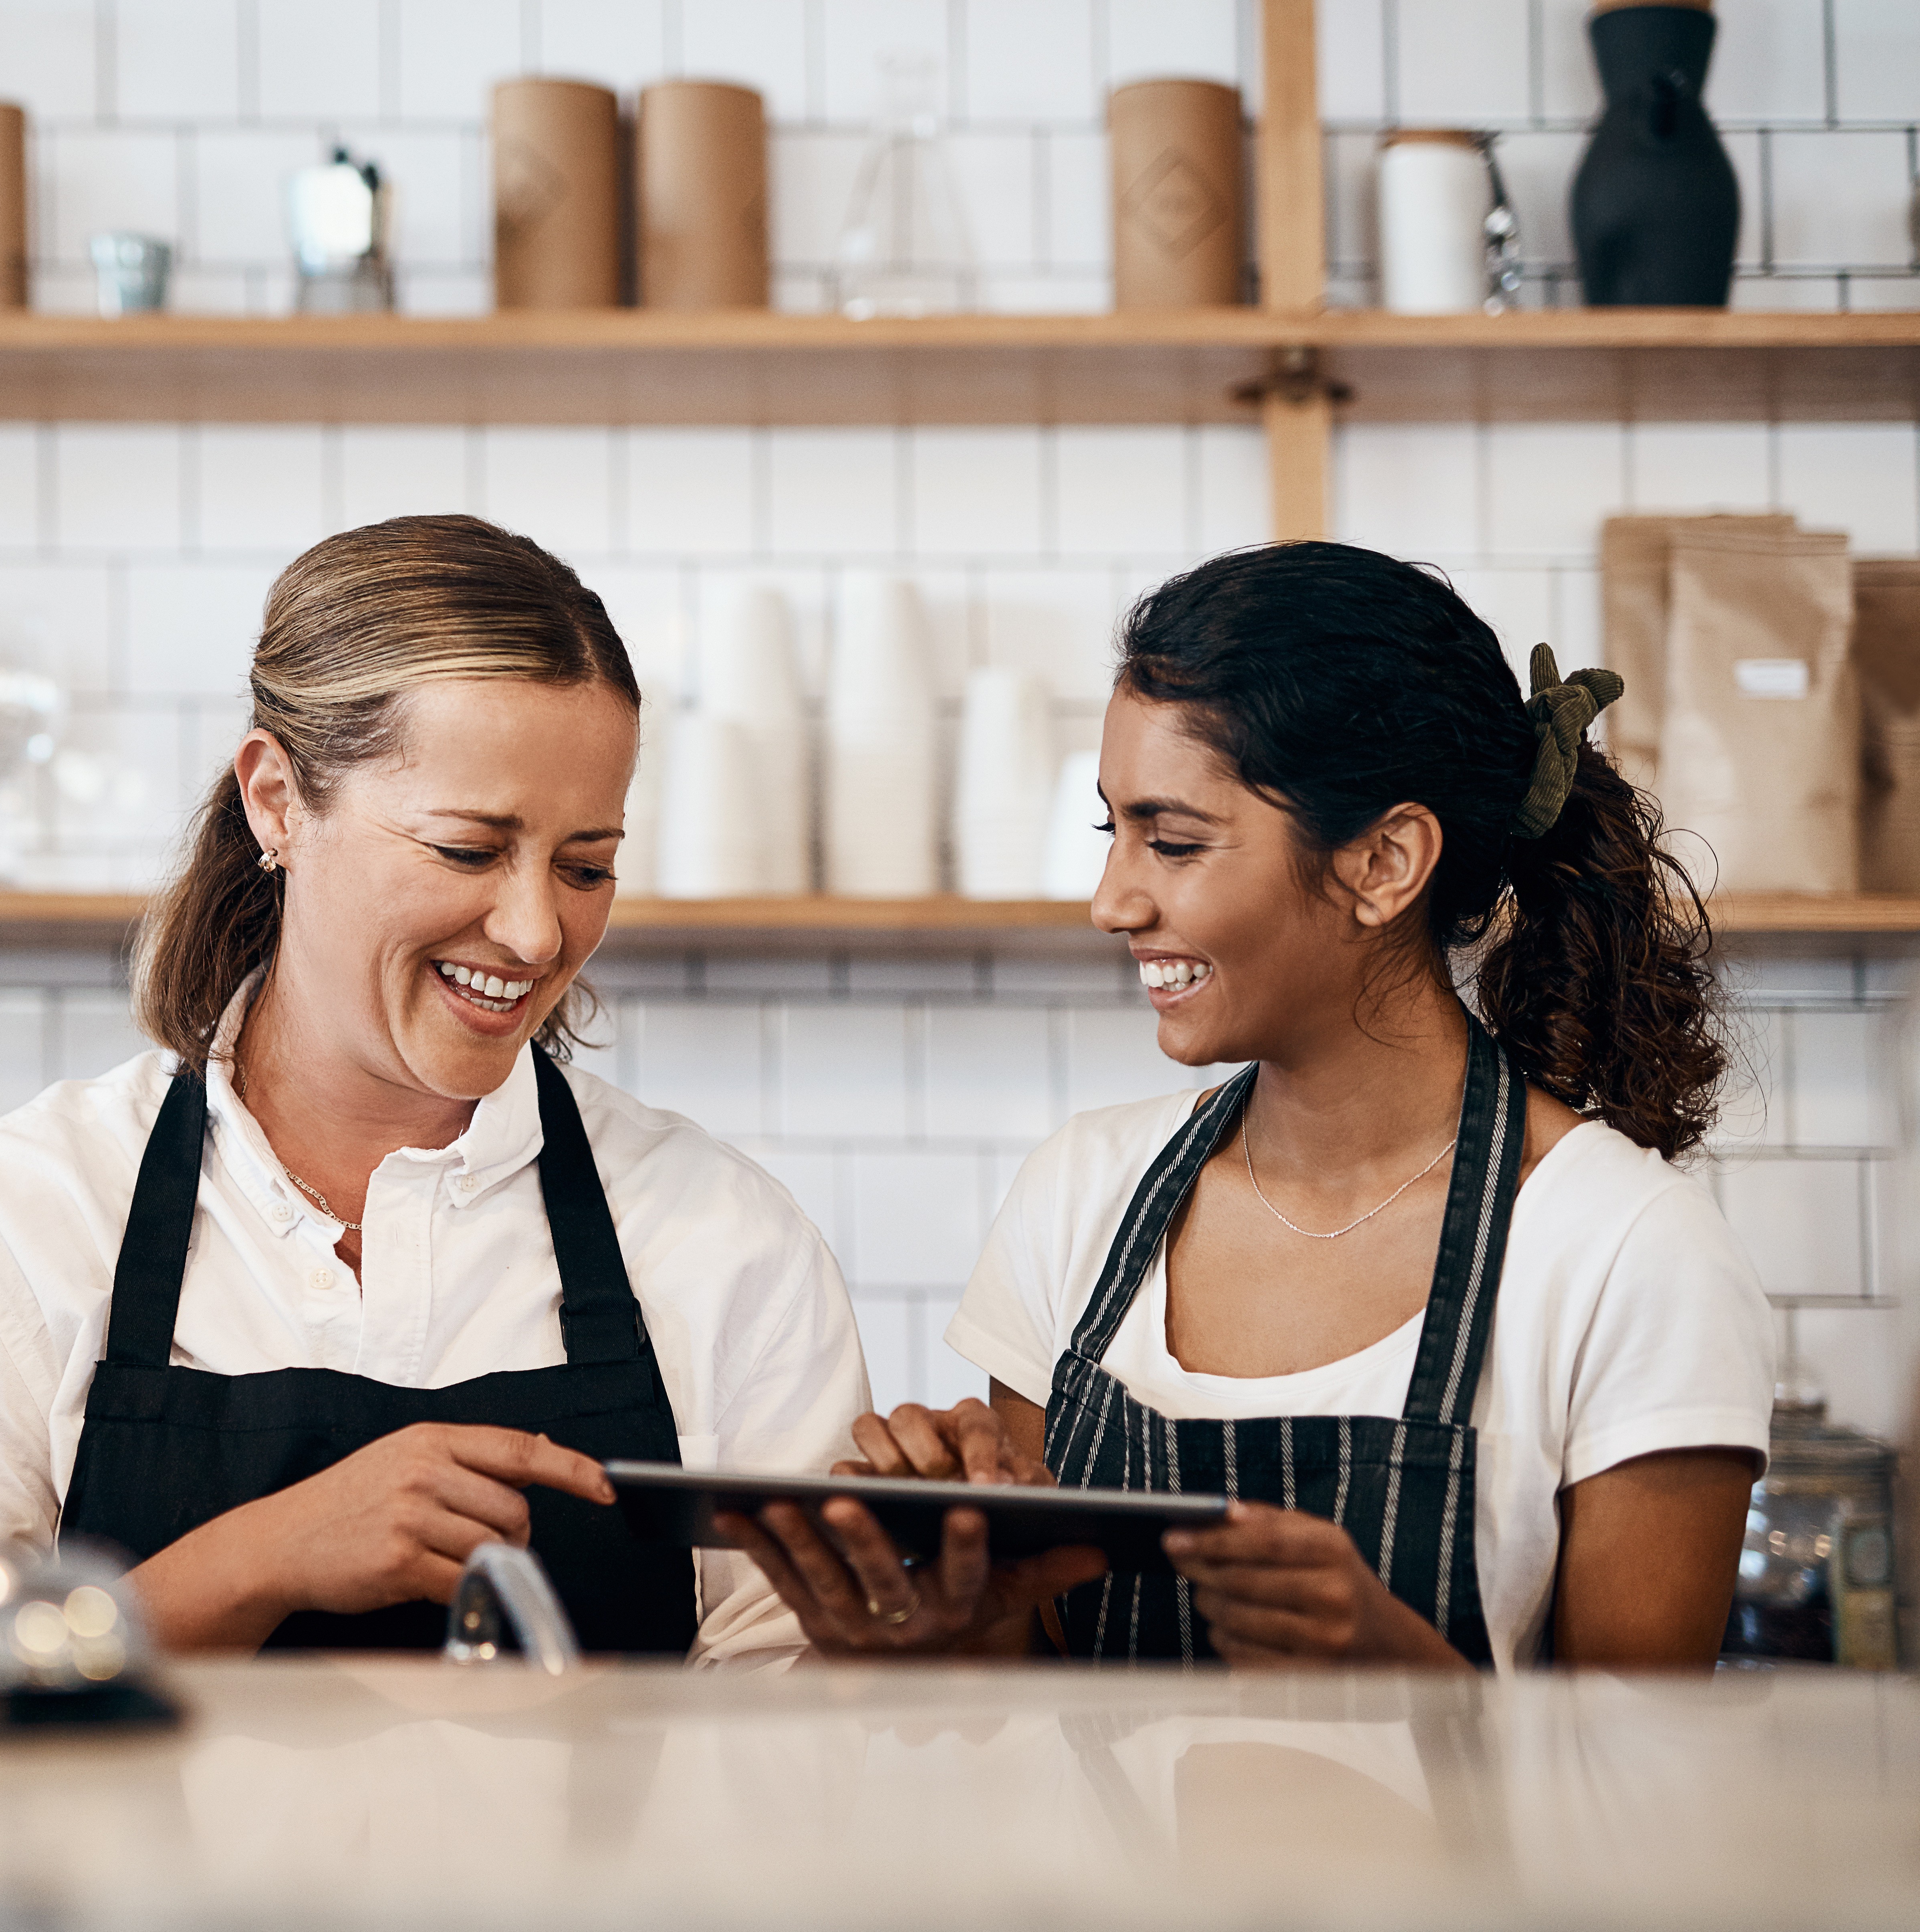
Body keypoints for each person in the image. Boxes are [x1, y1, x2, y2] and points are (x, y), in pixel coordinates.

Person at [0, 515, 868, 1663]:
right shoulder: (14, 1226)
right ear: (277, 801)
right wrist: (258, 1560)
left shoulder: (722, 1243)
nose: (537, 929)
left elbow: (790, 1736)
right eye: (467, 850)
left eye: (586, 865)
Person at [727, 541, 1771, 1669]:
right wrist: (942, 1617)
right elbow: (1018, 1705)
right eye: (1111, 831)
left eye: (1172, 841)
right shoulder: (1082, 1196)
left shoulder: (1625, 1252)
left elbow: (1652, 1799)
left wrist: (1399, 1673)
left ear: (1384, 861)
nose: (1111, 900)